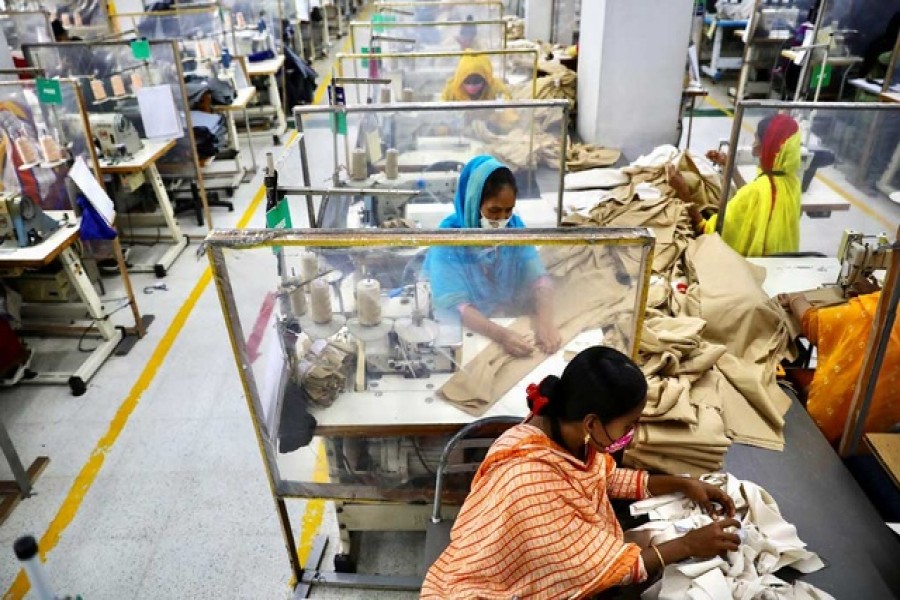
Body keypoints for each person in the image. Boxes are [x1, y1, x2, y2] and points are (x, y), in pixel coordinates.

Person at [421, 346, 740, 599]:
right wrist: (687, 545)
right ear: (591, 423)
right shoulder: (534, 489)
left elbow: (606, 478)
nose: (631, 434)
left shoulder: (566, 435)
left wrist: (683, 484)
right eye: (627, 427)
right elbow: (616, 568)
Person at [424, 155, 561, 357]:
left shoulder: (514, 228)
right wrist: (502, 336)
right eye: (494, 210)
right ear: (473, 203)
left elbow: (539, 279)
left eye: (508, 211)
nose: (502, 219)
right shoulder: (448, 239)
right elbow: (457, 306)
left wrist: (546, 322)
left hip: (504, 317)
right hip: (466, 327)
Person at [669, 113, 802, 257]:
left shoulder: (755, 191)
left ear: (765, 147)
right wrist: (730, 168)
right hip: (783, 265)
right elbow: (755, 198)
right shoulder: (791, 183)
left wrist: (683, 192)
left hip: (751, 270)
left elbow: (707, 231)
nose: (753, 143)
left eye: (756, 138)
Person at [778, 288, 899, 444]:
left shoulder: (875, 311)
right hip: (878, 437)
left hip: (832, 428)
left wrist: (795, 299)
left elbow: (813, 324)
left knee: (794, 378)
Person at [441, 52, 508, 102]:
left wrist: (493, 117)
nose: (472, 85)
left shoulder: (496, 88)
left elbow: (509, 112)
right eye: (468, 81)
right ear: (460, 79)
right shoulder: (451, 90)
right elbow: (442, 111)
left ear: (486, 79)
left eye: (477, 80)